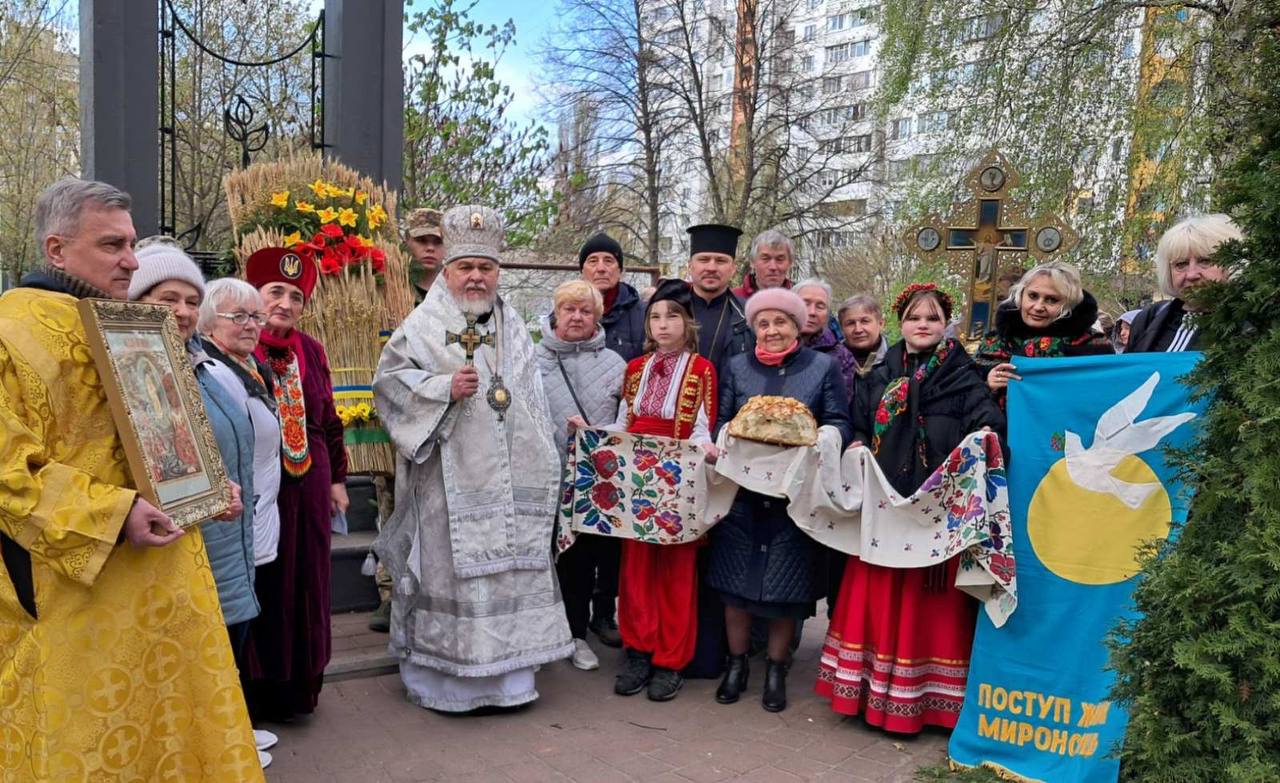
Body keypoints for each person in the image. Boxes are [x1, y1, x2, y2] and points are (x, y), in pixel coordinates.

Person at [0, 177, 261, 780]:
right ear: (56, 249)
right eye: (112, 245)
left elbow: (165, 437)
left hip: (168, 573)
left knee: (171, 730)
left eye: (132, 244)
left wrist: (202, 488)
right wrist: (112, 513)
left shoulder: (133, 324)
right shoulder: (12, 333)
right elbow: (9, 473)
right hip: (76, 590)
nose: (131, 260)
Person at [373, 205, 573, 713]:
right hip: (447, 482)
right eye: (466, 267)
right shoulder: (420, 327)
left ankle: (509, 682)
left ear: (497, 272)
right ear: (447, 272)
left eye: (486, 268)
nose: (477, 277)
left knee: (509, 570)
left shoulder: (513, 328)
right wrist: (442, 388)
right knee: (451, 574)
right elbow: (389, 386)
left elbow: (532, 398)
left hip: (510, 482)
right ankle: (446, 682)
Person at [817, 283, 1005, 734]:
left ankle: (929, 706)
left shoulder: (967, 377)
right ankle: (867, 696)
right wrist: (856, 445)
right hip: (885, 511)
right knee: (879, 598)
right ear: (900, 324)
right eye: (915, 318)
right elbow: (858, 425)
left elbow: (989, 429)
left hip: (935, 514)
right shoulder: (878, 376)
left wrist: (980, 439)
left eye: (933, 319)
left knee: (930, 608)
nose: (923, 325)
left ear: (946, 325)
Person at [710, 288, 852, 713]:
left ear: (796, 326)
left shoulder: (822, 366)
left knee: (785, 590)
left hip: (795, 495)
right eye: (763, 323)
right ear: (754, 328)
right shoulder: (737, 366)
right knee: (734, 586)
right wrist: (722, 439)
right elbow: (723, 418)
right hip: (744, 492)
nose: (772, 331)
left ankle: (775, 669)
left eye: (781, 322)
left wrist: (824, 438)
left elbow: (839, 420)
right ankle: (736, 666)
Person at [242, 246, 349, 722]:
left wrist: (339, 479)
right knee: (269, 580)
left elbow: (326, 419)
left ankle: (301, 688)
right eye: (275, 292)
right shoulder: (239, 344)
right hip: (264, 489)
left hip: (311, 486)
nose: (285, 303)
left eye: (296, 296)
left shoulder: (312, 350)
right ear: (255, 294)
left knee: (308, 580)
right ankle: (260, 690)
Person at [607, 279, 719, 702]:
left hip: (678, 477)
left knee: (675, 570)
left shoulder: (702, 369)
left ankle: (670, 660)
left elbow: (704, 426)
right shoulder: (634, 368)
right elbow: (623, 424)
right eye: (655, 316)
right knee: (636, 570)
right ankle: (638, 650)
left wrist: (706, 450)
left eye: (672, 315)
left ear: (688, 322)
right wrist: (593, 435)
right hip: (637, 477)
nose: (663, 323)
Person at [199, 277, 284, 759]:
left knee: (242, 624)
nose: (253, 325)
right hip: (233, 515)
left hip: (257, 513)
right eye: (240, 317)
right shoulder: (215, 369)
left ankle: (236, 724)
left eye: (256, 316)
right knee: (226, 629)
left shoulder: (248, 366)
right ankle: (227, 736)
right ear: (211, 323)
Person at [536, 280, 627, 669]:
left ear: (597, 318)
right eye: (569, 309)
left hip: (594, 483)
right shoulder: (531, 359)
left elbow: (627, 424)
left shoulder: (615, 365)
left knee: (581, 559)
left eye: (585, 311)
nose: (576, 317)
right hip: (544, 476)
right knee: (543, 560)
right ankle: (541, 633)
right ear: (556, 312)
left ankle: (576, 634)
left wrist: (597, 437)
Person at [682, 223, 751, 679]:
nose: (711, 268)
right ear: (690, 266)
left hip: (722, 445)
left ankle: (713, 652)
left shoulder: (745, 316)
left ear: (732, 267)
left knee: (715, 546)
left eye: (720, 261)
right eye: (704, 260)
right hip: (671, 442)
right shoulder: (669, 307)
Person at [975, 261, 1114, 407]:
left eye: (1051, 300)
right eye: (1033, 296)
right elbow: (966, 399)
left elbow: (1105, 395)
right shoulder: (994, 343)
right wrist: (988, 384)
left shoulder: (1093, 347)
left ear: (1069, 304)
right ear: (1021, 296)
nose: (1039, 307)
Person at [1127, 213, 1241, 352]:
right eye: (1181, 264)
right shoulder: (1148, 319)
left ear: (1231, 264)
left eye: (1205, 261)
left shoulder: (1254, 323)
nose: (1191, 274)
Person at [581, 231, 646, 363]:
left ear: (620, 271)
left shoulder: (644, 315)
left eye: (608, 261)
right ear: (582, 271)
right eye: (593, 261)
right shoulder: (565, 314)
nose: (601, 268)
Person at [795, 278, 857, 392]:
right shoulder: (772, 345)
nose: (812, 312)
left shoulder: (841, 356)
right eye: (805, 303)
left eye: (820, 306)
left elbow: (838, 403)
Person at [731, 228, 794, 298]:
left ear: (790, 263)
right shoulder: (731, 300)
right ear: (752, 262)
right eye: (765, 259)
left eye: (779, 259)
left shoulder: (801, 301)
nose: (773, 267)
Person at [405, 206, 445, 300]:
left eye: (438, 242)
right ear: (408, 242)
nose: (430, 248)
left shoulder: (456, 292)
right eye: (422, 240)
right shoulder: (392, 288)